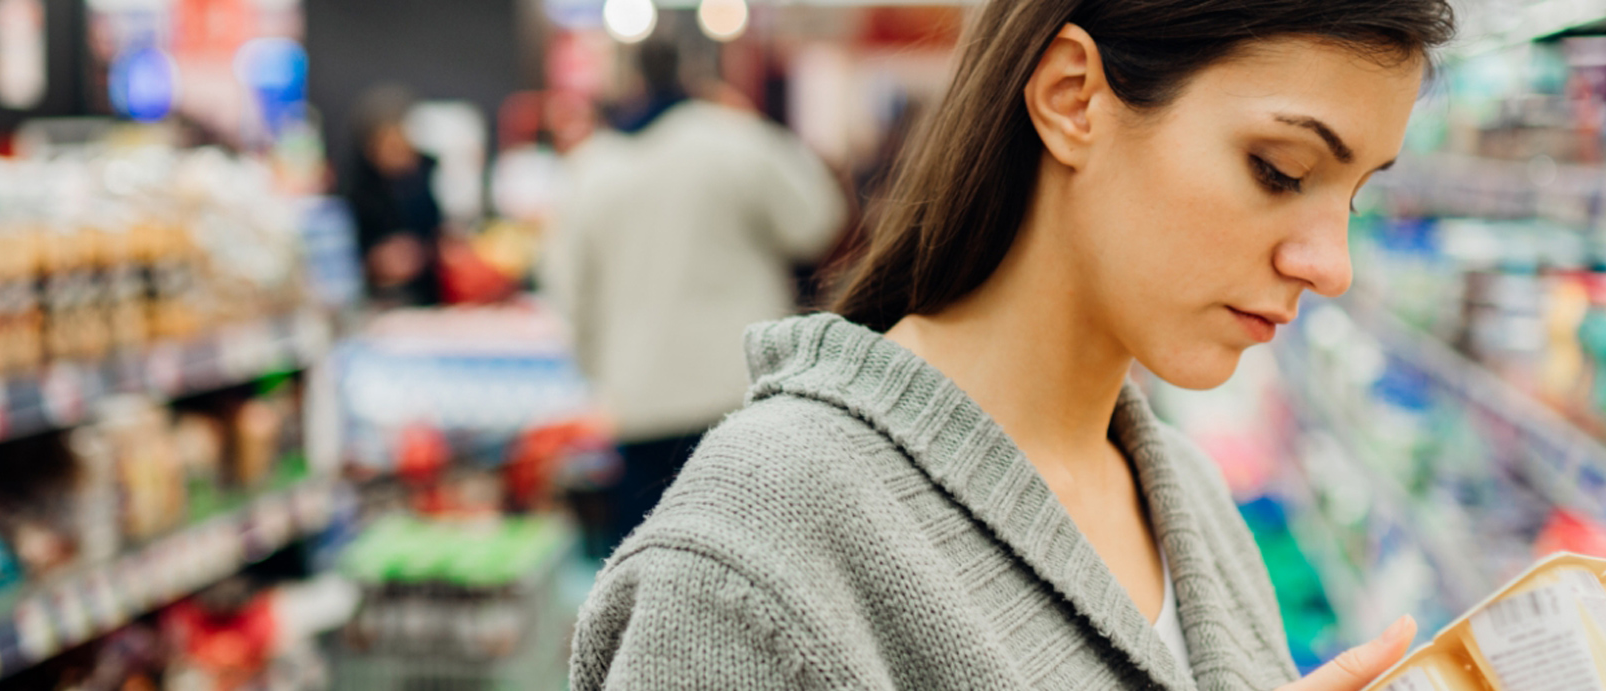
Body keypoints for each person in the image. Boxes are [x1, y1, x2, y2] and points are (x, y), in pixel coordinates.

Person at [568, 0, 1453, 689]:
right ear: (1073, 97)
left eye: (1353, 195)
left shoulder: (1188, 496)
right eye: (1281, 170)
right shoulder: (759, 559)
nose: (1329, 264)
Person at [541, 38, 846, 554]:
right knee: (754, 566)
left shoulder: (591, 170)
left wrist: (600, 373)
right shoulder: (736, 142)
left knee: (647, 574)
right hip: (739, 393)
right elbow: (817, 220)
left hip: (639, 400)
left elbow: (568, 293)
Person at [343, 85, 444, 306]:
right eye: (389, 146)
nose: (398, 155)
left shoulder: (429, 178)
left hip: (427, 298)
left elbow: (441, 237)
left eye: (402, 144)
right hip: (374, 301)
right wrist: (374, 263)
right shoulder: (355, 192)